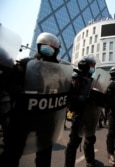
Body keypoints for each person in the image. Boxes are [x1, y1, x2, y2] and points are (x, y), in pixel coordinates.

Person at [0, 32, 72, 167]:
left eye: (52, 46)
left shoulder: (59, 72)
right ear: (39, 46)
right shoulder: (26, 64)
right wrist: (20, 93)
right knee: (12, 152)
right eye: (45, 45)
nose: (48, 48)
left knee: (44, 154)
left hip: (47, 119)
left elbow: (65, 92)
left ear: (56, 50)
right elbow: (9, 84)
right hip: (23, 116)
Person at [65, 54, 102, 167]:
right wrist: (82, 99)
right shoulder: (76, 77)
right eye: (92, 65)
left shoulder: (91, 80)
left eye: (94, 65)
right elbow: (70, 97)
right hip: (79, 115)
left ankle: (90, 161)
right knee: (73, 144)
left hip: (89, 115)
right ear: (85, 65)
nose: (93, 67)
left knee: (90, 138)